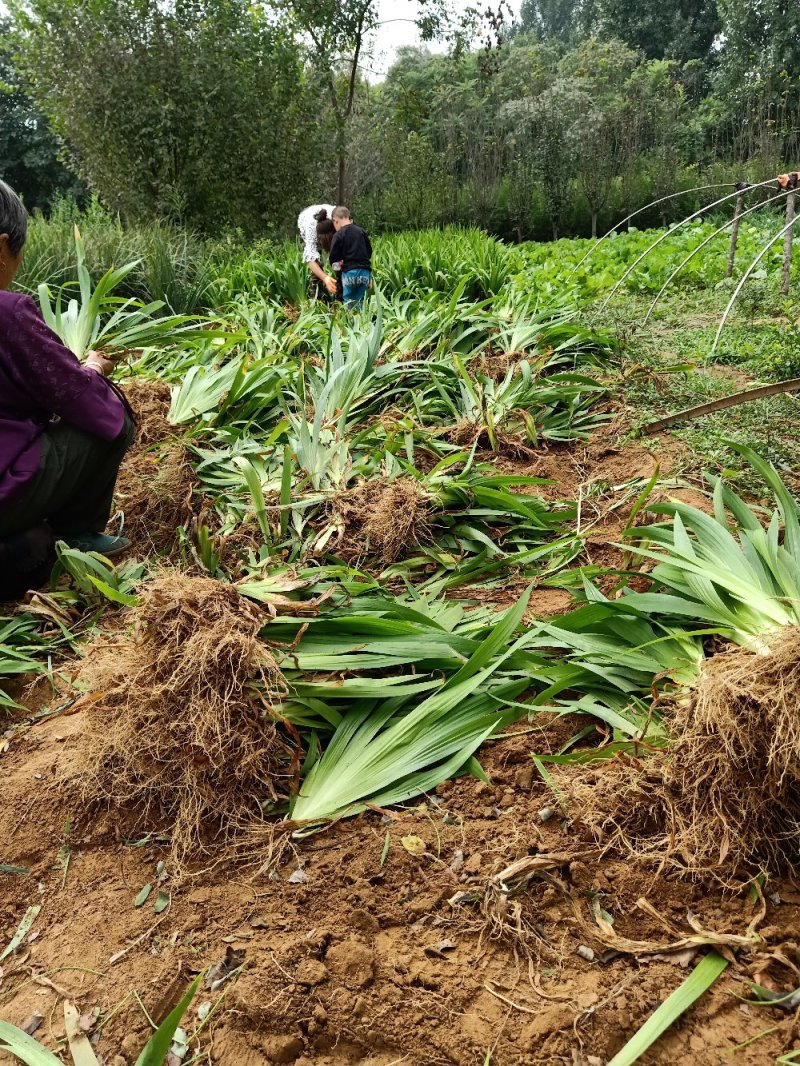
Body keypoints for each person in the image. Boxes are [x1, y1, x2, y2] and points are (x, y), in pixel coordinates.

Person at [0, 179, 135, 598]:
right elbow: (85, 401)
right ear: (2, 247)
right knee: (113, 413)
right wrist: (91, 367)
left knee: (27, 548)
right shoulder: (9, 314)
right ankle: (78, 533)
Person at [329, 206, 373, 309]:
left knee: (348, 303)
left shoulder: (338, 235)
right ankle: (364, 322)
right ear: (348, 217)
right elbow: (369, 252)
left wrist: (338, 268)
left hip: (349, 273)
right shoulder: (361, 231)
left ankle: (351, 323)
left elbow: (333, 258)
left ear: (335, 221)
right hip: (364, 273)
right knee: (361, 301)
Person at [297, 203, 338, 300]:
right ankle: (316, 299)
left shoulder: (339, 223)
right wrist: (325, 278)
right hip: (307, 219)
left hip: (329, 219)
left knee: (339, 261)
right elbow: (310, 258)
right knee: (317, 268)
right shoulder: (310, 229)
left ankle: (339, 294)